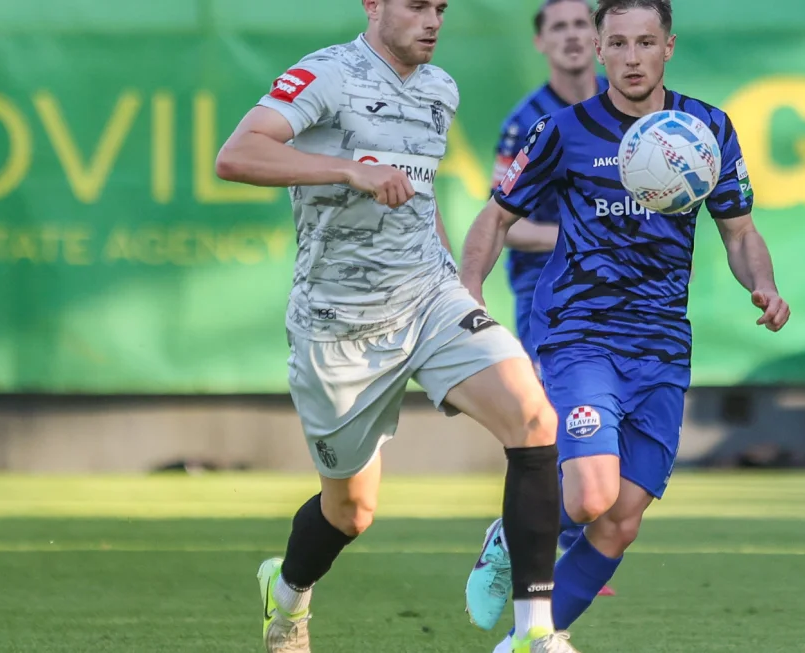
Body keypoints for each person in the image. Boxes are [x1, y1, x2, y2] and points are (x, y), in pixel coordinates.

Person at [214, 1, 582, 652]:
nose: (432, 19)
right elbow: (236, 154)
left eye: (440, 7)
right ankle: (289, 590)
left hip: (429, 297)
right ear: (374, 5)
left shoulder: (440, 88)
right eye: (416, 5)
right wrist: (347, 168)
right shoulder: (327, 74)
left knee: (534, 417)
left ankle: (534, 634)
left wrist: (456, 280)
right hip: (339, 323)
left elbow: (420, 190)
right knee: (350, 511)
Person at [457, 0, 791, 648]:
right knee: (587, 497)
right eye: (619, 43)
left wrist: (765, 284)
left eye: (645, 42)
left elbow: (739, 230)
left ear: (668, 46)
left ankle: (530, 640)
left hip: (661, 345)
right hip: (580, 334)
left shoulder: (706, 129)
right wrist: (468, 289)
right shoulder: (562, 129)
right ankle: (512, 530)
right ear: (599, 50)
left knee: (620, 521)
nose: (632, 56)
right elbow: (496, 215)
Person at [488, 0, 615, 598]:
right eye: (556, 26)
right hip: (549, 292)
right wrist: (582, 234)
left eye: (579, 25)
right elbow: (502, 222)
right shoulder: (526, 121)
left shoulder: (625, 113)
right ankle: (542, 545)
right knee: (562, 418)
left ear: (599, 39)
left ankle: (555, 539)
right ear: (540, 43)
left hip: (620, 292)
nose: (570, 37)